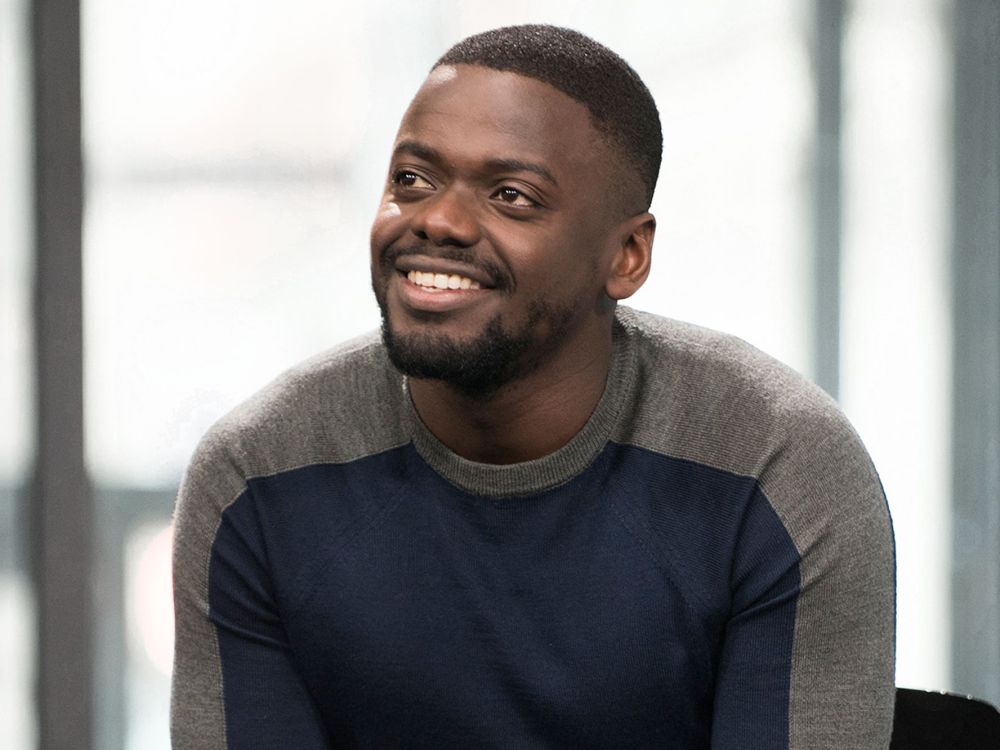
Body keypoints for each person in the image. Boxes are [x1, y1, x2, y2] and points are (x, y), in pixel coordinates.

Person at [171, 24, 895, 749]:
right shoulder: (256, 477)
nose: (439, 221)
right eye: (412, 180)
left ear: (627, 255)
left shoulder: (777, 467)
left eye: (511, 195)